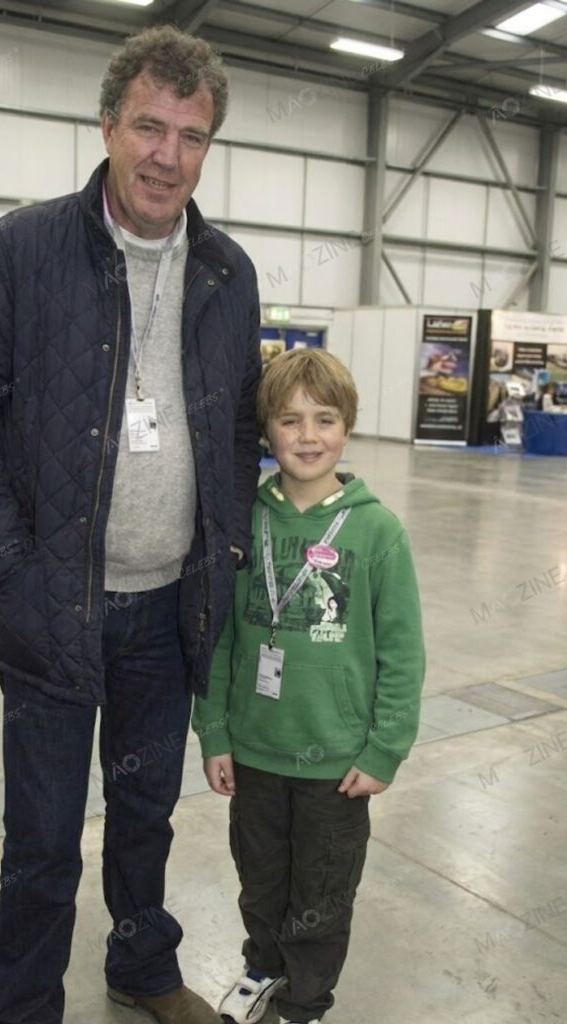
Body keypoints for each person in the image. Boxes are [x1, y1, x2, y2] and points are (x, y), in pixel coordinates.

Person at [0, 25, 261, 1024]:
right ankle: (23, 1004)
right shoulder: (21, 251)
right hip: (51, 609)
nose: (166, 154)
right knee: (41, 834)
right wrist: (9, 568)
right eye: (147, 127)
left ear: (207, 147)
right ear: (107, 125)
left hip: (167, 614)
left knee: (144, 815)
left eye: (190, 136)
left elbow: (238, 430)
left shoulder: (227, 275)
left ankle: (140, 966)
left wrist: (225, 550)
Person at [192, 348, 426, 1024]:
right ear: (266, 430)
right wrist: (214, 729)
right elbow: (221, 638)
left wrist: (383, 749)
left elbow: (402, 652)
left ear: (346, 429)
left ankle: (305, 997)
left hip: (335, 761)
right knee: (260, 877)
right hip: (255, 750)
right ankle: (262, 965)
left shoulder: (376, 530)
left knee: (321, 888)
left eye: (324, 419)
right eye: (289, 420)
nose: (307, 436)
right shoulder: (246, 523)